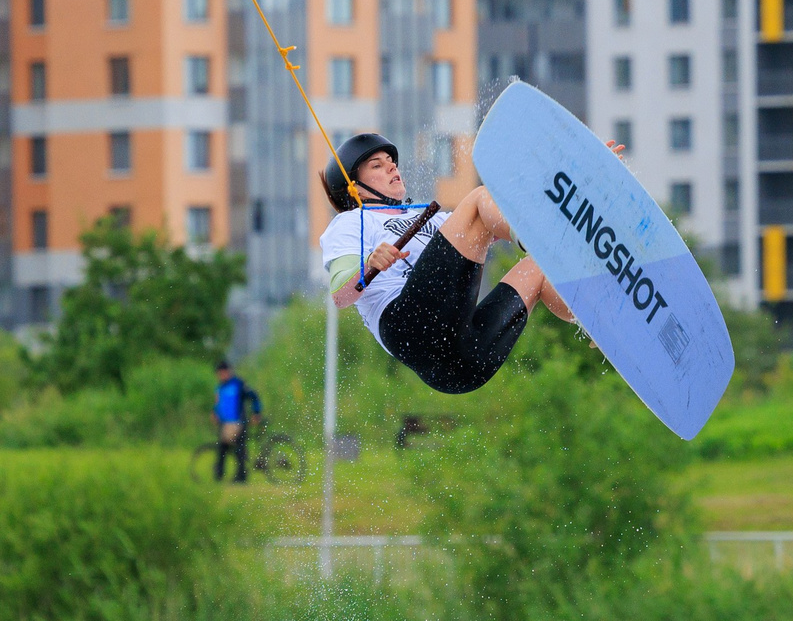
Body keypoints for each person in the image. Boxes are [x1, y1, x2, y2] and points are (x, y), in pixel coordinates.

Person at [319, 132, 576, 396]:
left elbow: (507, 216)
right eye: (377, 165)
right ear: (355, 188)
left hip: (460, 367)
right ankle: (540, 239)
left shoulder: (434, 222)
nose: (391, 166)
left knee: (539, 267)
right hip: (409, 330)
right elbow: (340, 295)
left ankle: (594, 326)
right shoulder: (351, 222)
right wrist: (369, 263)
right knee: (478, 199)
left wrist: (575, 182)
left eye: (390, 161)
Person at [211, 360, 262, 483]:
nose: (221, 375)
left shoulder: (238, 384)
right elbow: (218, 403)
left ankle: (241, 477)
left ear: (227, 372)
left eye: (222, 373)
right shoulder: (220, 388)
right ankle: (219, 475)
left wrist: (256, 412)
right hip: (225, 423)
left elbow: (254, 396)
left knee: (240, 450)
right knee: (222, 449)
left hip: (239, 422)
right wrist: (214, 413)